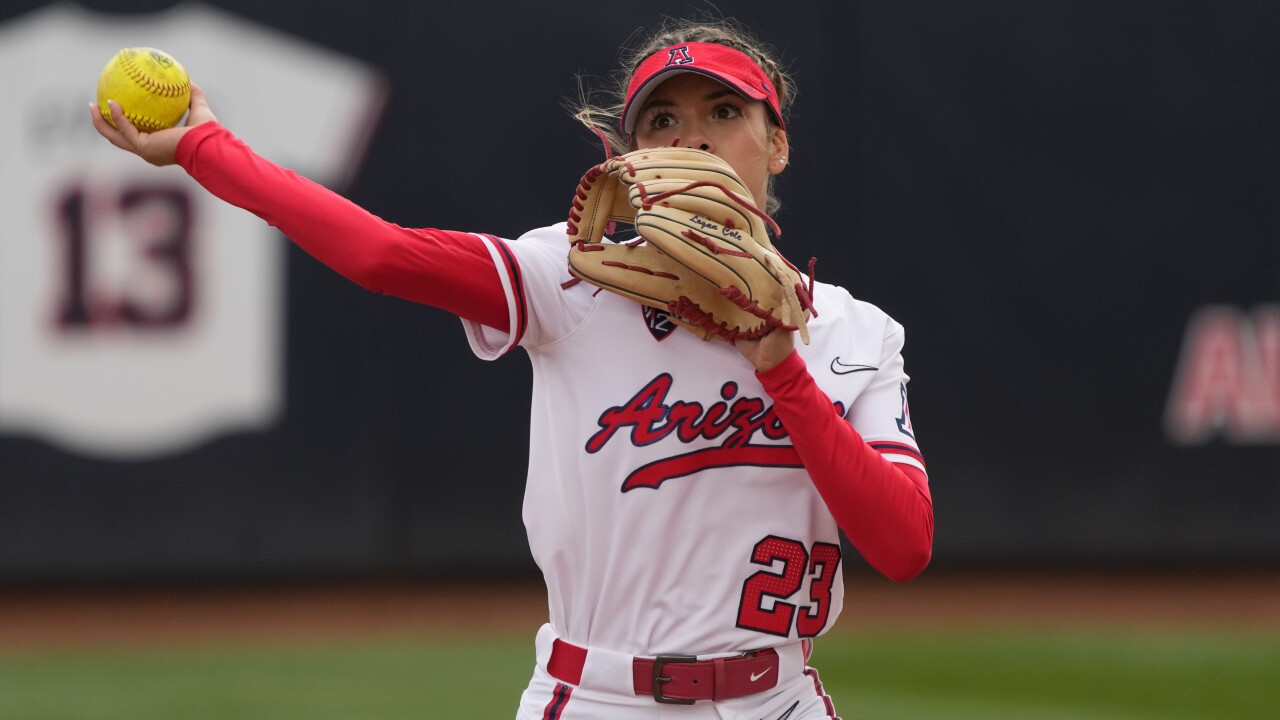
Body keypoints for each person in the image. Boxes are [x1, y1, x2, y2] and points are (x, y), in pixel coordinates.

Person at [92, 17, 933, 720]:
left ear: (776, 143)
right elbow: (382, 254)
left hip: (778, 700)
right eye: (663, 122)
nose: (694, 139)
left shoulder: (854, 332)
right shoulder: (566, 278)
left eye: (723, 111)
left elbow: (902, 545)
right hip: (599, 697)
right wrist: (205, 146)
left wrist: (783, 370)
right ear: (629, 156)